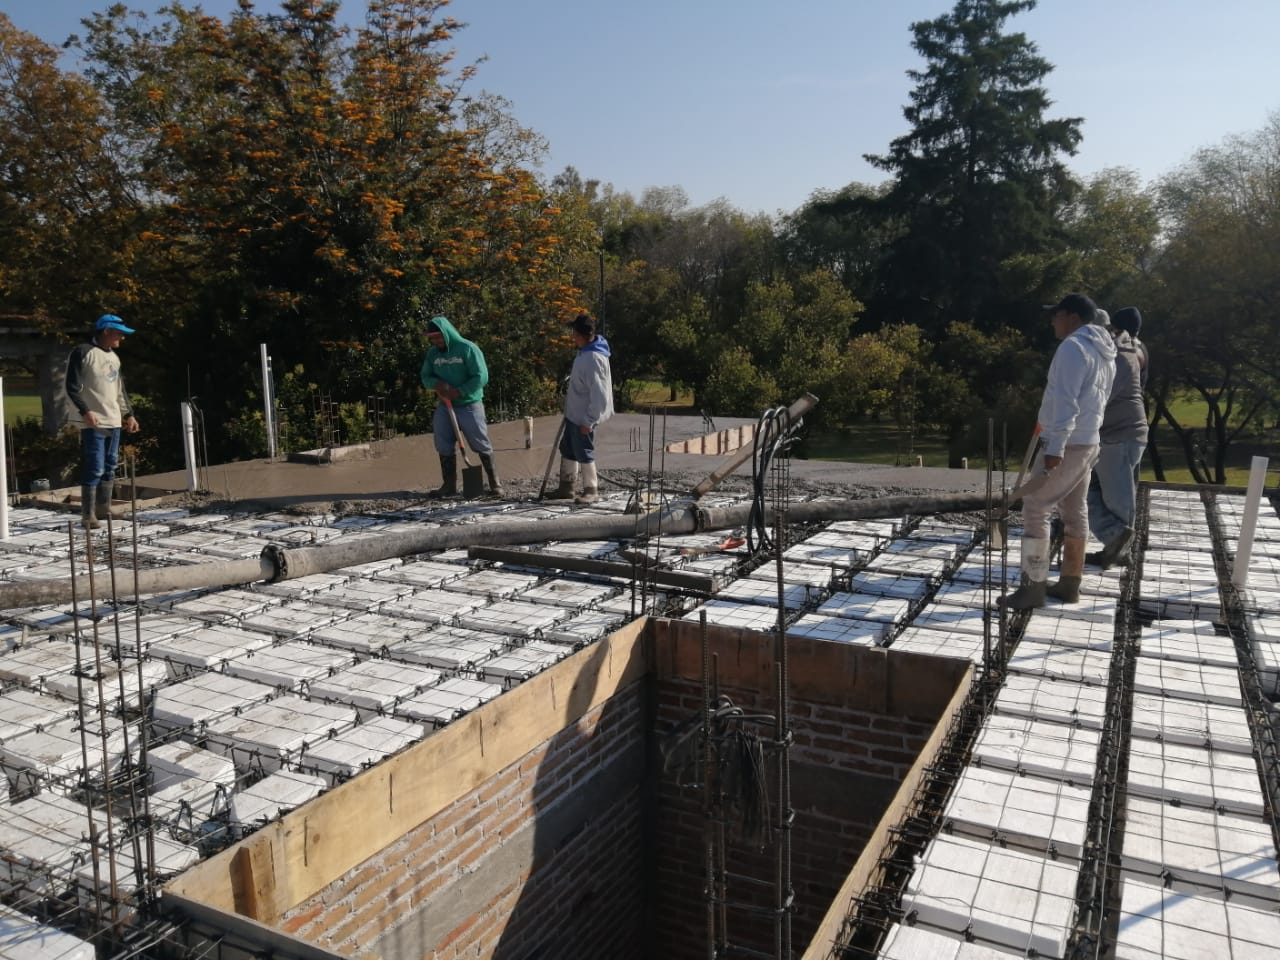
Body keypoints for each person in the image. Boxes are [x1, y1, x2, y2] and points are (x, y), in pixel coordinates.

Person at [1000, 294, 1116, 609]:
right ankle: (1069, 584)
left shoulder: (1073, 348)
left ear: (1073, 317)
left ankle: (1032, 588)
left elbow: (1068, 401)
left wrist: (1055, 447)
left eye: (1057, 315)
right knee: (1075, 509)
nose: (1052, 320)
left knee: (1035, 505)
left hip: (1069, 443)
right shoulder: (1105, 352)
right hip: (1089, 441)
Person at [1086, 306, 1148, 568]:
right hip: (1123, 433)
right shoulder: (1135, 349)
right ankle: (1118, 549)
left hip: (1118, 435)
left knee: (1115, 498)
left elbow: (1104, 396)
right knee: (1107, 494)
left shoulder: (1123, 356)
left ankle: (1117, 544)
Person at [65, 314, 141, 530]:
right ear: (106, 331)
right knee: (95, 467)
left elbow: (119, 391)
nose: (122, 338)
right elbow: (71, 387)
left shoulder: (114, 358)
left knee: (109, 466)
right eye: (119, 333)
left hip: (114, 420)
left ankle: (103, 507)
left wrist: (129, 414)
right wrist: (85, 411)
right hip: (94, 422)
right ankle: (87, 515)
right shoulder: (83, 352)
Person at [419, 316, 502, 498]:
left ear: (447, 333)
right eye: (432, 338)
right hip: (445, 405)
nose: (436, 341)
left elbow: (481, 376)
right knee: (443, 443)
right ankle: (449, 485)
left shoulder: (468, 349)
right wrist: (436, 384)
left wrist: (460, 391)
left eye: (438, 336)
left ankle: (495, 484)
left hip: (469, 405)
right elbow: (425, 377)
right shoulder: (433, 354)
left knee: (480, 442)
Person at [548, 314, 614, 504]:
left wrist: (589, 420)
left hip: (584, 417)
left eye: (575, 333)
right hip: (574, 414)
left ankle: (591, 489)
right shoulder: (585, 352)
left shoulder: (594, 358)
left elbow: (600, 395)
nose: (572, 337)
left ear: (584, 335)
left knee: (584, 451)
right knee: (568, 449)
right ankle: (566, 488)